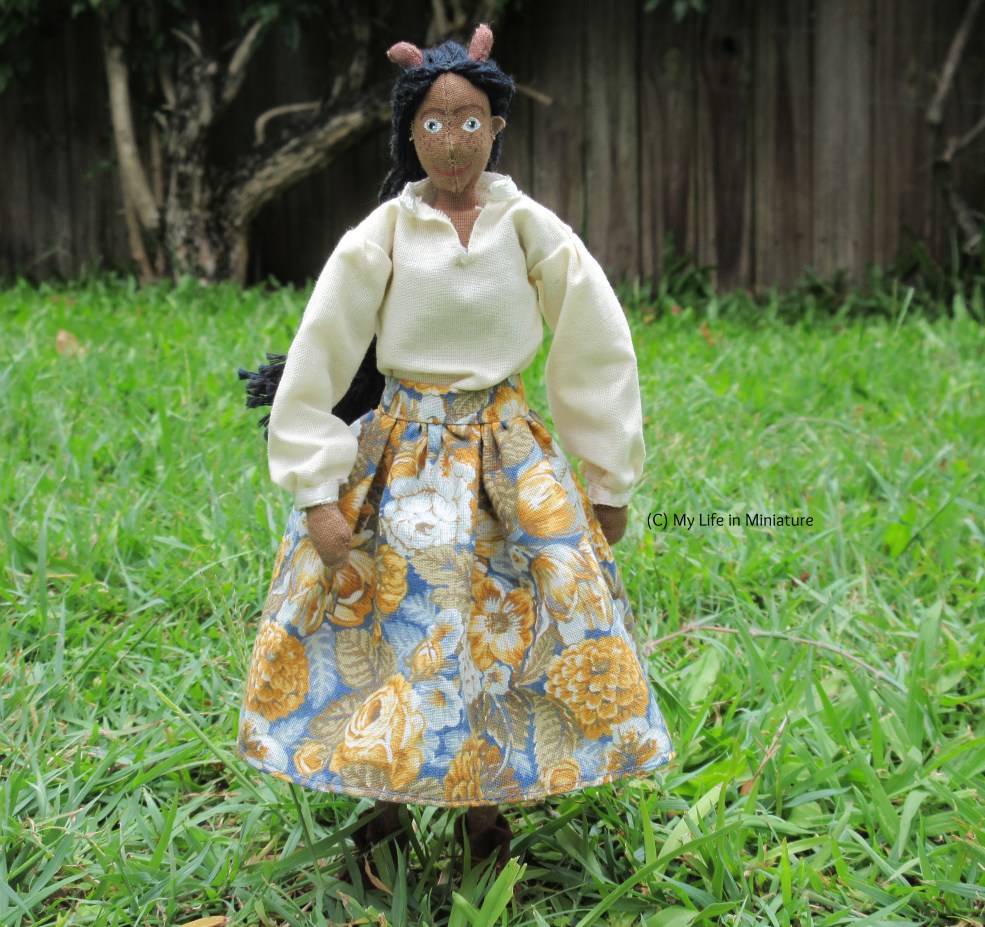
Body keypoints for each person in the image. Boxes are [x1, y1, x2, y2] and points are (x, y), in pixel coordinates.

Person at [234, 23, 675, 883]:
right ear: (410, 134)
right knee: (392, 626)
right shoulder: (384, 233)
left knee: (507, 628)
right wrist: (318, 487)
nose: (452, 139)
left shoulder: (529, 227)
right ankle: (388, 806)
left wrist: (606, 475)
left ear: (497, 124)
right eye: (433, 124)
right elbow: (323, 345)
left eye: (469, 119)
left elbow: (594, 341)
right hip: (397, 458)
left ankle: (485, 809)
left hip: (506, 457)